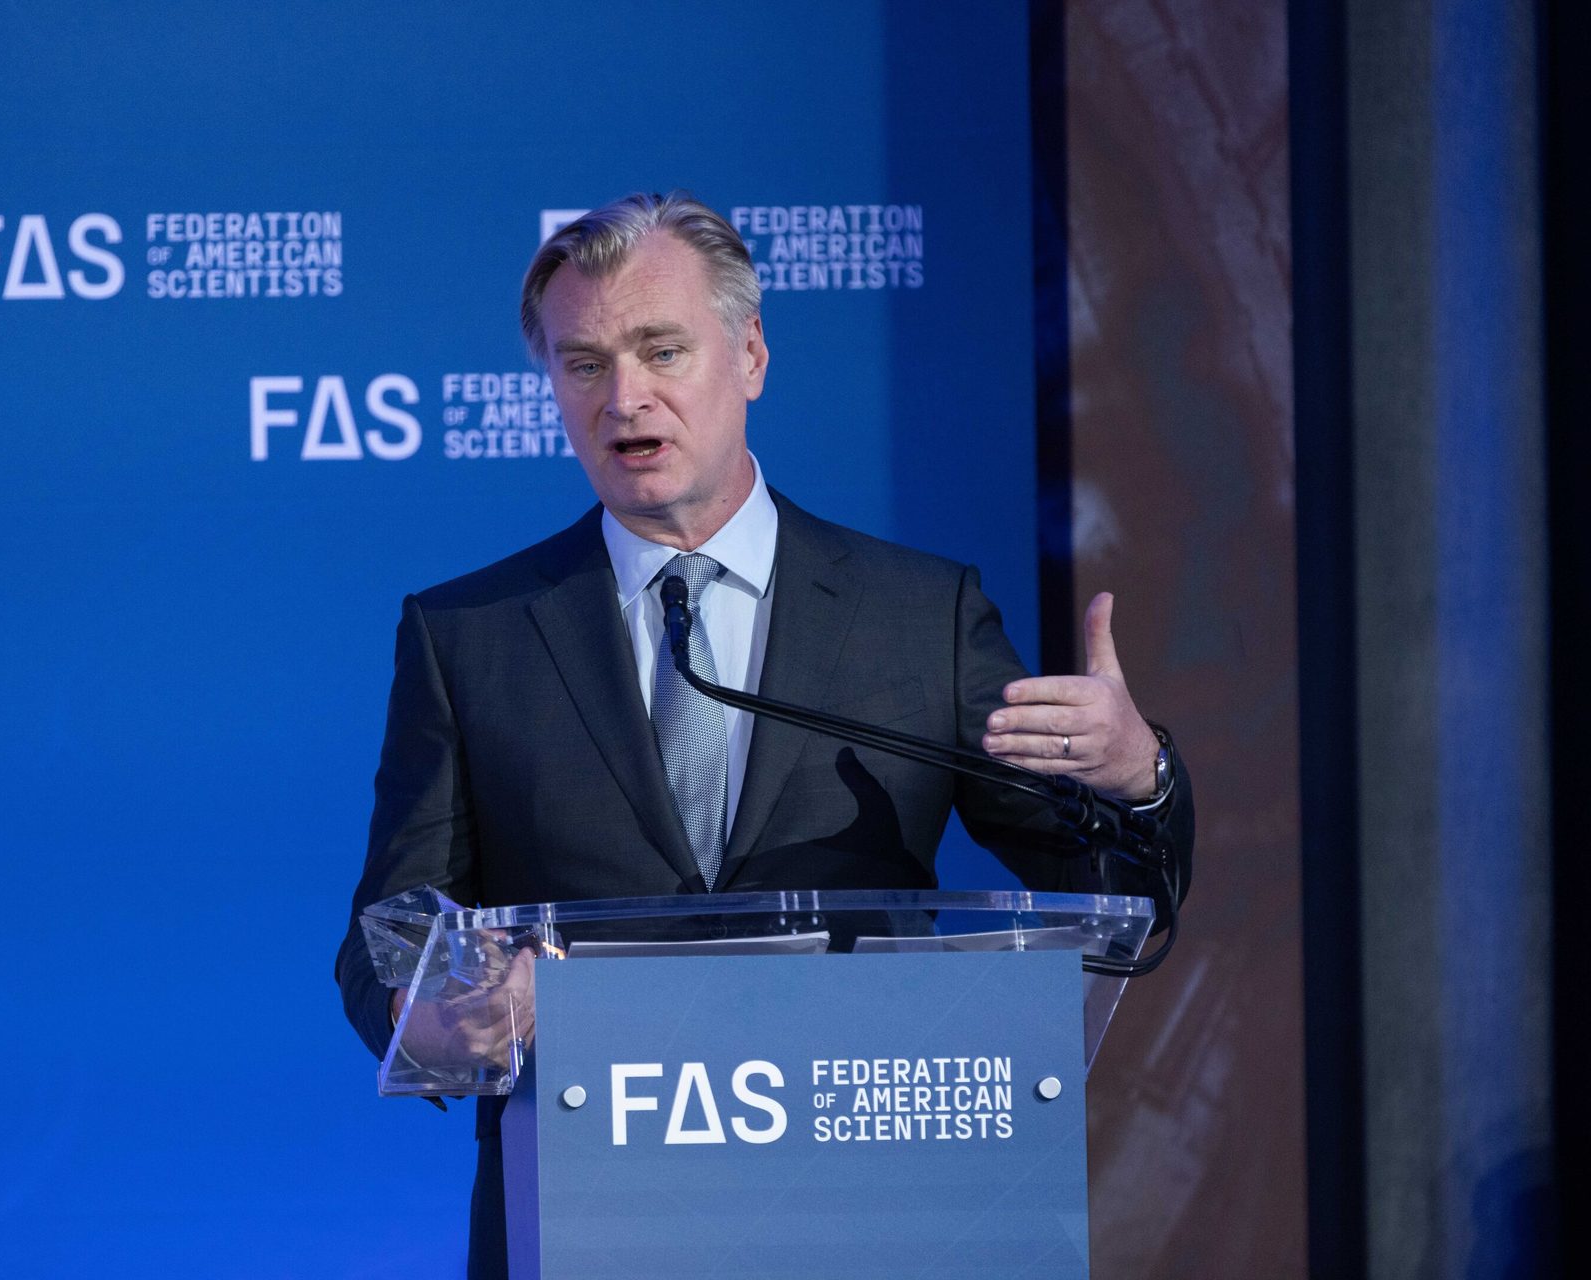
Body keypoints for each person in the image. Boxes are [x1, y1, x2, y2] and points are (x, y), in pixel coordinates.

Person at [334, 192, 1192, 1277]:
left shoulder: (914, 618)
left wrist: (1137, 774)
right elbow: (385, 950)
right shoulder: (472, 636)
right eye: (584, 363)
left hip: (868, 1211)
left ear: (749, 354)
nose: (625, 397)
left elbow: (1110, 889)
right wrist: (447, 1019)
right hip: (586, 1217)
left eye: (662, 349)